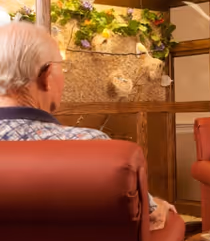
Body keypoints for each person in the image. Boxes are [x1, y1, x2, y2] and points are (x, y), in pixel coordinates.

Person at [0, 21, 176, 230]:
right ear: (46, 76)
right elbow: (150, 216)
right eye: (61, 67)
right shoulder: (92, 146)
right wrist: (160, 205)